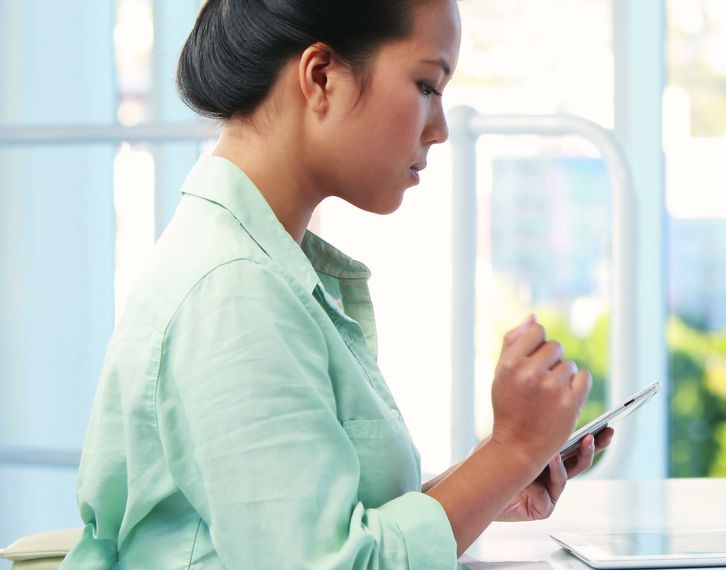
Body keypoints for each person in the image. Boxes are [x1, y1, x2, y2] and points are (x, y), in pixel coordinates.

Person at [61, 0, 613, 567]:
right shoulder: (234, 292)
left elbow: (310, 530)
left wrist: (494, 480)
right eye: (426, 85)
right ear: (321, 77)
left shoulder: (259, 267)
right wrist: (510, 450)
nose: (441, 129)